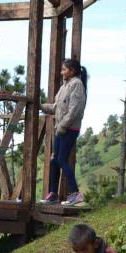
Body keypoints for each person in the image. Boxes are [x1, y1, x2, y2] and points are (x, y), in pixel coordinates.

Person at [40, 59, 88, 206]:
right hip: (61, 128)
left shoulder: (77, 85)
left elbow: (75, 110)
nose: (61, 72)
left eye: (64, 70)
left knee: (61, 160)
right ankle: (53, 194)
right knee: (54, 160)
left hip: (69, 129)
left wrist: (63, 126)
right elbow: (56, 107)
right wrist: (41, 106)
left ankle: (76, 194)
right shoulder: (64, 86)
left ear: (72, 71)